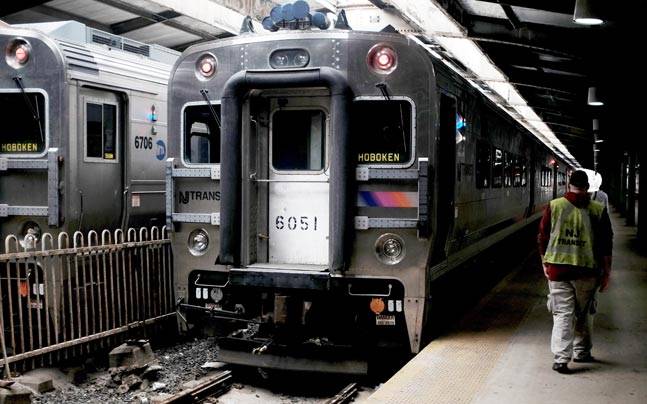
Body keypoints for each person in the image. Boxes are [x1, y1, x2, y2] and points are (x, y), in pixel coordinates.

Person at [537, 169, 613, 374]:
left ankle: (561, 359)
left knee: (562, 313)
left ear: (568, 186)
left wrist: (545, 262)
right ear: (588, 188)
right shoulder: (598, 209)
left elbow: (543, 237)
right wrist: (606, 272)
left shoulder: (555, 206)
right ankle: (581, 352)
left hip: (558, 271)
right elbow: (606, 244)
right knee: (584, 313)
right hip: (587, 272)